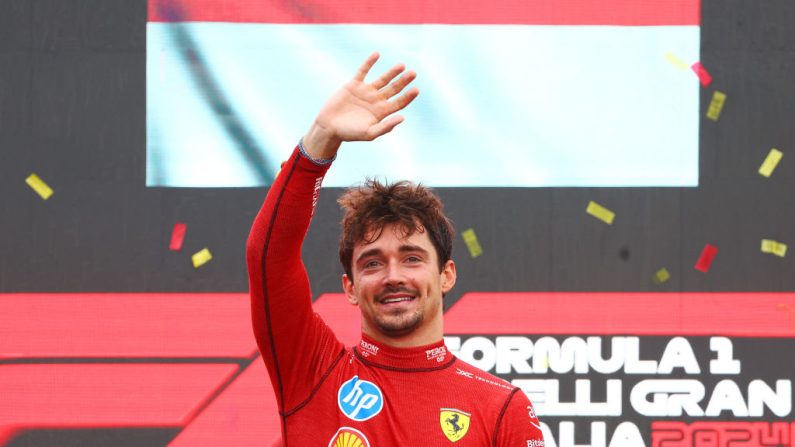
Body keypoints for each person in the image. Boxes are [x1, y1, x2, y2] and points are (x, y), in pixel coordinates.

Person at [247, 52, 544, 446]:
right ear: (350, 288)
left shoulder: (500, 406)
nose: (393, 276)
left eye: (412, 258)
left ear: (446, 275)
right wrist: (321, 137)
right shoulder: (312, 373)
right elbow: (269, 258)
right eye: (372, 263)